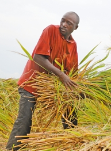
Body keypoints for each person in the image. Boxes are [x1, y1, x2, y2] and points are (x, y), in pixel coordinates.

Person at [6, 11, 80, 150]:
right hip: (32, 84)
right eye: (62, 20)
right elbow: (38, 57)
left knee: (71, 114)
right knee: (24, 121)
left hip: (51, 88)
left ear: (75, 27)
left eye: (69, 23)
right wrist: (61, 75)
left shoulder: (73, 45)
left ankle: (73, 145)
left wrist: (78, 88)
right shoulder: (51, 30)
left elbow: (73, 71)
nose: (63, 25)